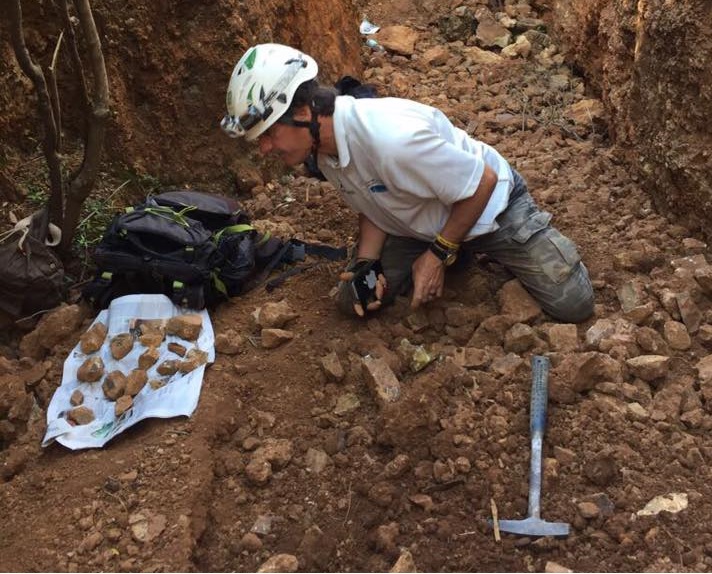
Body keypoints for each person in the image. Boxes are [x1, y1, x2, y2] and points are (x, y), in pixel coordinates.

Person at [220, 43, 594, 323]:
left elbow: (482, 181)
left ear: (303, 112)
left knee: (573, 304)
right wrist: (366, 263)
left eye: (268, 134)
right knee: (354, 299)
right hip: (417, 218)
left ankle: (482, 244)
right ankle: (456, 253)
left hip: (487, 205)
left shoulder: (393, 142)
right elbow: (373, 203)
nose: (265, 148)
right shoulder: (322, 149)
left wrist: (437, 254)